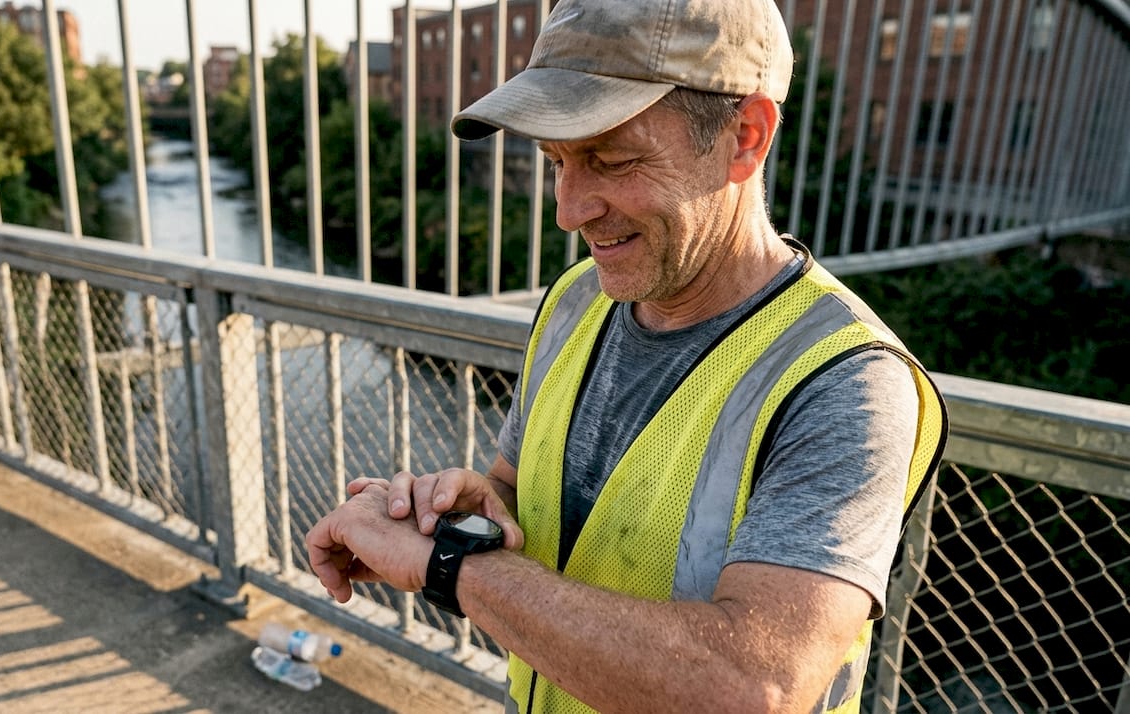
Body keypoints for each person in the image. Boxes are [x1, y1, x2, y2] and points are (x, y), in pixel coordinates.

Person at [306, 0, 948, 711]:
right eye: (556, 161)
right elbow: (517, 485)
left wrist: (449, 566)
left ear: (746, 137)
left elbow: (754, 687)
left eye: (611, 160)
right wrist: (476, 516)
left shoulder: (846, 383)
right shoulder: (578, 299)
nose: (568, 209)